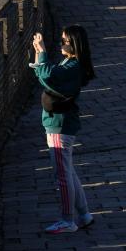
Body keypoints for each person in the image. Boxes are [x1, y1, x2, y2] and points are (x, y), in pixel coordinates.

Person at [31, 26, 95, 234]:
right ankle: (84, 214)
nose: (61, 44)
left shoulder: (73, 66)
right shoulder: (68, 63)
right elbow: (44, 77)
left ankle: (68, 220)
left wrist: (42, 53)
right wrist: (38, 54)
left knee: (62, 175)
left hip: (60, 124)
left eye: (64, 40)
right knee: (68, 171)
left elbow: (48, 76)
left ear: (74, 44)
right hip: (58, 122)